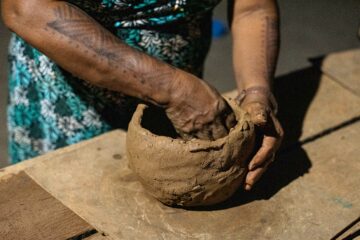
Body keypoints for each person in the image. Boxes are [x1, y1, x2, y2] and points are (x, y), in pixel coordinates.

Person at [1, 0, 283, 190]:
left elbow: (253, 8)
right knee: (65, 204)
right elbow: (25, 7)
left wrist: (257, 92)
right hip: (69, 98)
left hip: (186, 93)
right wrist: (174, 90)